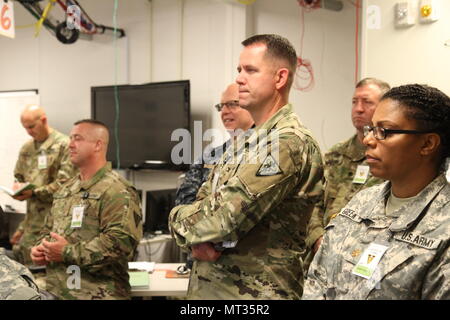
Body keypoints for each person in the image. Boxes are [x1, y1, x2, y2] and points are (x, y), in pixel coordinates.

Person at [169, 34, 324, 299]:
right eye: (239, 70)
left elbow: (220, 220)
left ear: (280, 78)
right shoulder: (247, 141)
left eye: (250, 70)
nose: (239, 78)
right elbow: (206, 198)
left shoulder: (286, 142)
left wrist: (175, 219)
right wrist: (196, 233)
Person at [303, 84, 450, 300]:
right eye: (371, 129)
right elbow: (317, 279)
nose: (368, 140)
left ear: (427, 143)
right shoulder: (363, 200)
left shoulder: (444, 226)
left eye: (385, 132)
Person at [30, 119, 143, 300]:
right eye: (70, 138)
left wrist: (66, 252)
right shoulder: (66, 189)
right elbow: (47, 230)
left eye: (78, 139)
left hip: (98, 294)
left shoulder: (118, 190)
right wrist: (40, 248)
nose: (71, 144)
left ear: (98, 145)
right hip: (57, 292)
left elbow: (120, 244)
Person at [305, 78, 390, 266]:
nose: (358, 108)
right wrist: (317, 237)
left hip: (362, 258)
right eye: (354, 102)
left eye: (367, 102)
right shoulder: (335, 154)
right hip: (320, 258)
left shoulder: (389, 160)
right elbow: (312, 202)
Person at [11, 105, 75, 266]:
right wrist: (18, 190)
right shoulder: (27, 148)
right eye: (25, 128)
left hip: (55, 223)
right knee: (28, 276)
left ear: (44, 120)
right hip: (31, 224)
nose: (29, 132)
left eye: (32, 127)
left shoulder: (64, 145)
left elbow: (65, 185)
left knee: (48, 278)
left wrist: (34, 193)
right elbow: (19, 177)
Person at [175, 82, 254, 206]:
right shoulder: (210, 154)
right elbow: (184, 199)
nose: (224, 112)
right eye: (221, 106)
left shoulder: (263, 149)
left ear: (252, 106)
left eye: (232, 104)